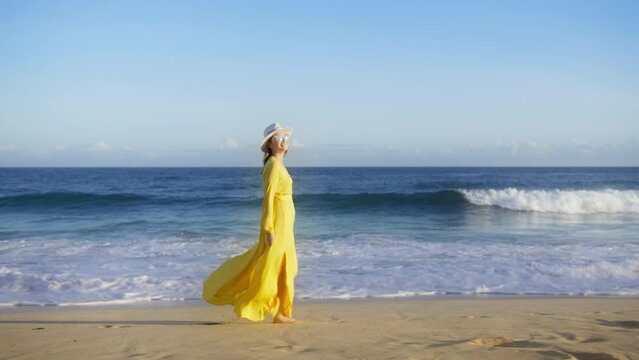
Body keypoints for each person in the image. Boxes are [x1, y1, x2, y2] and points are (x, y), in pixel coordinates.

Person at [202, 122, 300, 324]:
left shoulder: (279, 165)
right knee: (274, 266)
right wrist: (268, 228)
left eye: (285, 137)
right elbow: (268, 199)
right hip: (277, 223)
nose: (283, 141)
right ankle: (258, 306)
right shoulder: (272, 166)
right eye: (278, 138)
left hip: (286, 222)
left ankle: (282, 313)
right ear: (270, 145)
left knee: (286, 267)